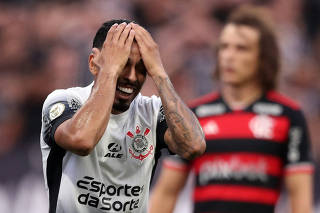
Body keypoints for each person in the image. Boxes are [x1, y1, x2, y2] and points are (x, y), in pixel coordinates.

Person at [149, 6, 314, 213]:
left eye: (241, 48)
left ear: (264, 57)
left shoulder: (288, 116)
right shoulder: (193, 116)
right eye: (224, 47)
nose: (229, 56)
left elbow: (300, 198)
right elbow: (166, 192)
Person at [39, 19, 206, 213]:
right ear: (93, 63)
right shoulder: (65, 101)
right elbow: (82, 140)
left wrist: (160, 73)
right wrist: (110, 71)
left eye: (142, 69)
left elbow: (194, 146)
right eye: (123, 65)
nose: (132, 77)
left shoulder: (152, 112)